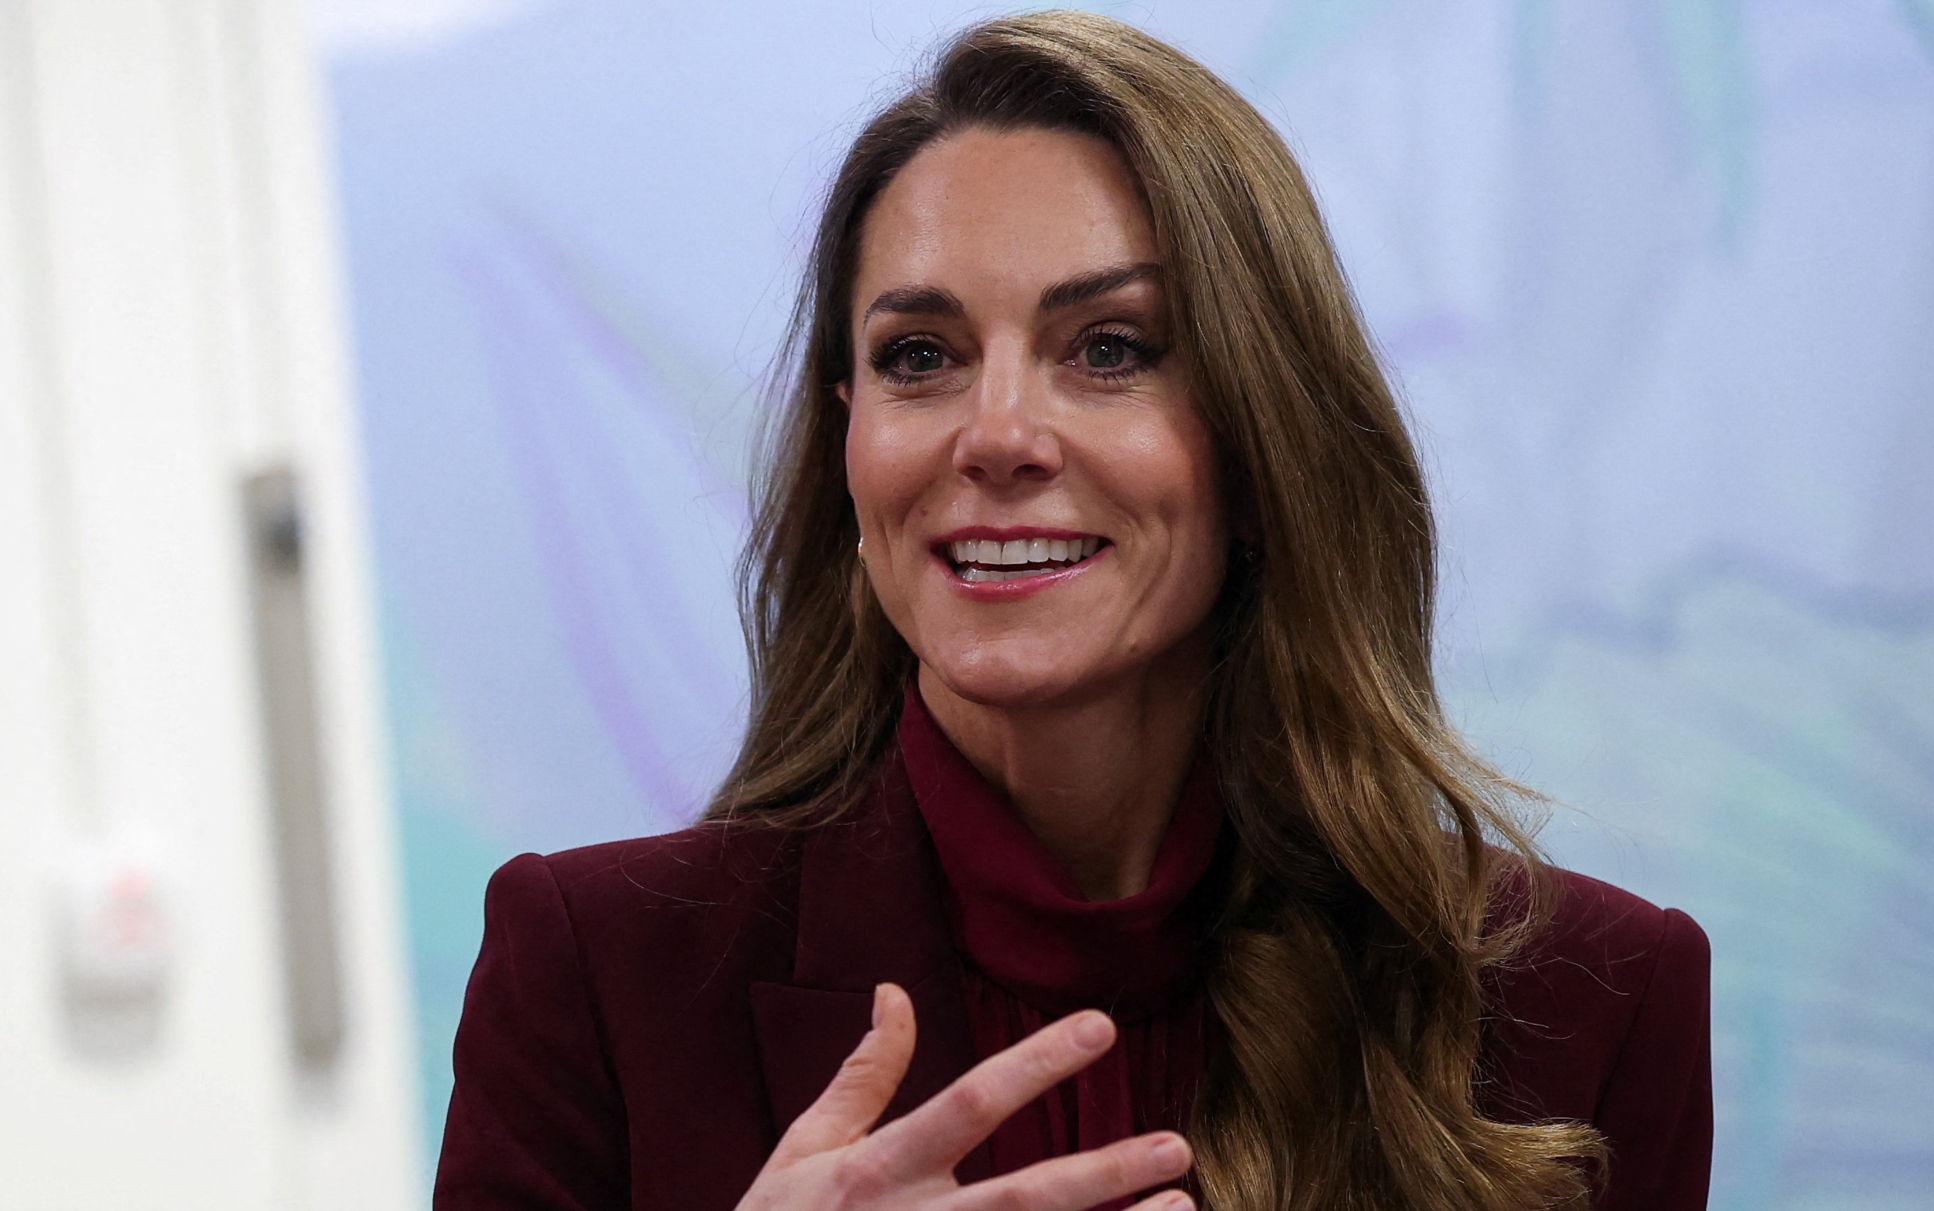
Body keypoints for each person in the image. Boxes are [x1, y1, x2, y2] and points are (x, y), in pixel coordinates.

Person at [435, 11, 1712, 1211]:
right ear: (850, 442)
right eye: (919, 356)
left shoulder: (1591, 1001)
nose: (996, 436)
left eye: (1110, 348)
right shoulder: (597, 978)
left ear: (1265, 448)